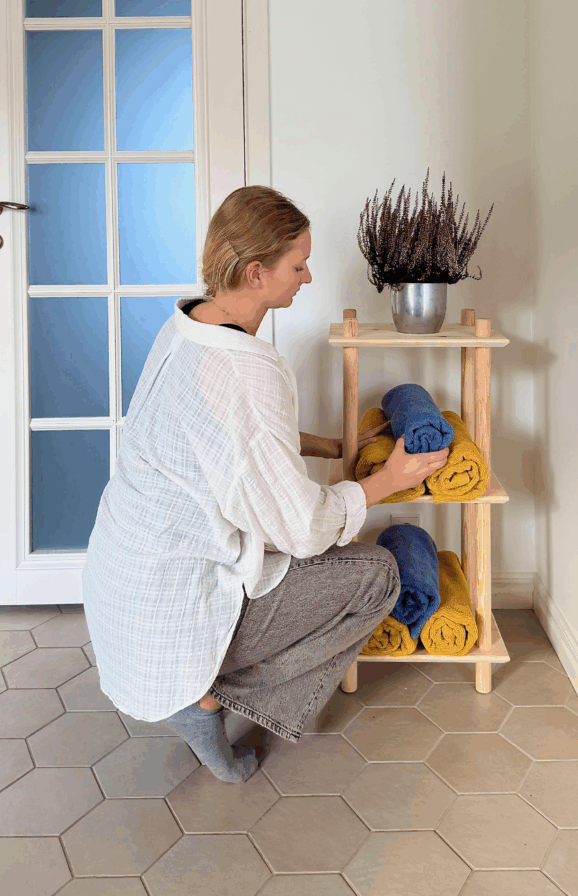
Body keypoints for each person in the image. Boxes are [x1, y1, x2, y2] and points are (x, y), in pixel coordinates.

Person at [82, 185, 449, 783]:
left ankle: (198, 692)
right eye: (297, 264)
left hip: (123, 581)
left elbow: (230, 438)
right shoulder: (247, 369)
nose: (308, 276)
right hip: (174, 603)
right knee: (377, 576)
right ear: (257, 273)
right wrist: (388, 480)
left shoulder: (187, 327)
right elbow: (303, 529)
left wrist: (330, 447)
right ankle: (203, 697)